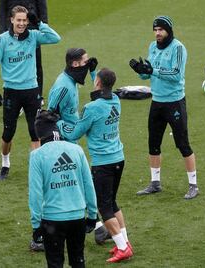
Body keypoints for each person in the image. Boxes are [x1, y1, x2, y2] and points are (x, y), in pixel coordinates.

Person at [57, 68, 133, 263]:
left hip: (103, 163)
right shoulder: (115, 99)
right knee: (112, 202)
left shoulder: (92, 108)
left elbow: (74, 134)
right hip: (119, 158)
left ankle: (123, 248)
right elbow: (103, 90)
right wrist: (95, 75)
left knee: (103, 207)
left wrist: (58, 123)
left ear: (98, 83)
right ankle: (124, 241)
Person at [129, 16, 199, 199]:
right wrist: (142, 71)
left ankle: (193, 185)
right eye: (155, 30)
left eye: (161, 29)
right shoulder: (152, 46)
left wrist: (152, 71)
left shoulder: (178, 48)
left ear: (169, 30)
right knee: (153, 143)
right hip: (157, 101)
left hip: (174, 102)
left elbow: (176, 74)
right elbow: (150, 74)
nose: (157, 33)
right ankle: (155, 183)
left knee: (183, 143)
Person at [47, 48, 111, 245]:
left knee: (79, 183)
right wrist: (63, 136)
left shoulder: (72, 80)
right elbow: (49, 115)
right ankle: (93, 225)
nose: (88, 62)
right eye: (85, 61)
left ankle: (96, 225)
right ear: (75, 64)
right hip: (64, 144)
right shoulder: (63, 86)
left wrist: (93, 71)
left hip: (72, 141)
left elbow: (99, 89)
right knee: (75, 184)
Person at [0, 5, 60, 180]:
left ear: (28, 21)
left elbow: (56, 38)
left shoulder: (34, 36)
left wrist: (40, 23)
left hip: (32, 91)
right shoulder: (2, 40)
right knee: (8, 132)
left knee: (34, 131)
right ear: (11, 20)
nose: (21, 23)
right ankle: (5, 163)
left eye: (24, 20)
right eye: (18, 20)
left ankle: (36, 168)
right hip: (11, 92)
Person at [29, 110, 97, 268]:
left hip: (52, 220)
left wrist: (35, 224)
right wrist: (93, 215)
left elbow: (36, 193)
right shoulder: (76, 150)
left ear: (39, 134)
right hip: (77, 217)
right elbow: (88, 184)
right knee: (78, 260)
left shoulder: (37, 156)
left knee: (55, 263)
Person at [0, 0, 49, 101]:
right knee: (14, 63)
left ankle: (37, 95)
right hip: (12, 28)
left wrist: (42, 27)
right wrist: (1, 32)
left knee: (35, 63)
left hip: (31, 27)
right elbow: (2, 11)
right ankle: (15, 95)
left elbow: (42, 9)